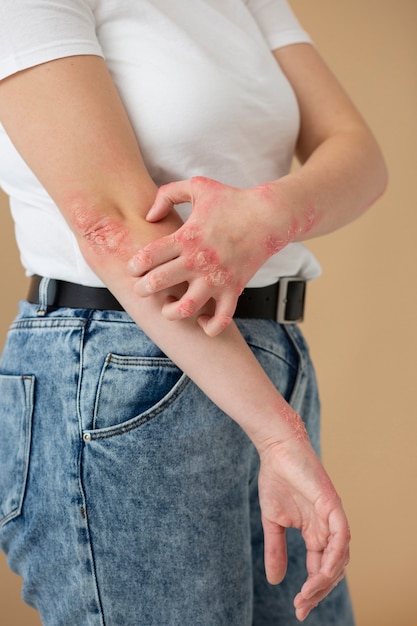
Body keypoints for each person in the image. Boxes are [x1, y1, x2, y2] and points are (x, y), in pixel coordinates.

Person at [0, 1, 387, 625]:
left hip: (269, 359)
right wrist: (276, 433)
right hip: (129, 366)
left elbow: (360, 154)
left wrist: (267, 214)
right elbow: (109, 225)